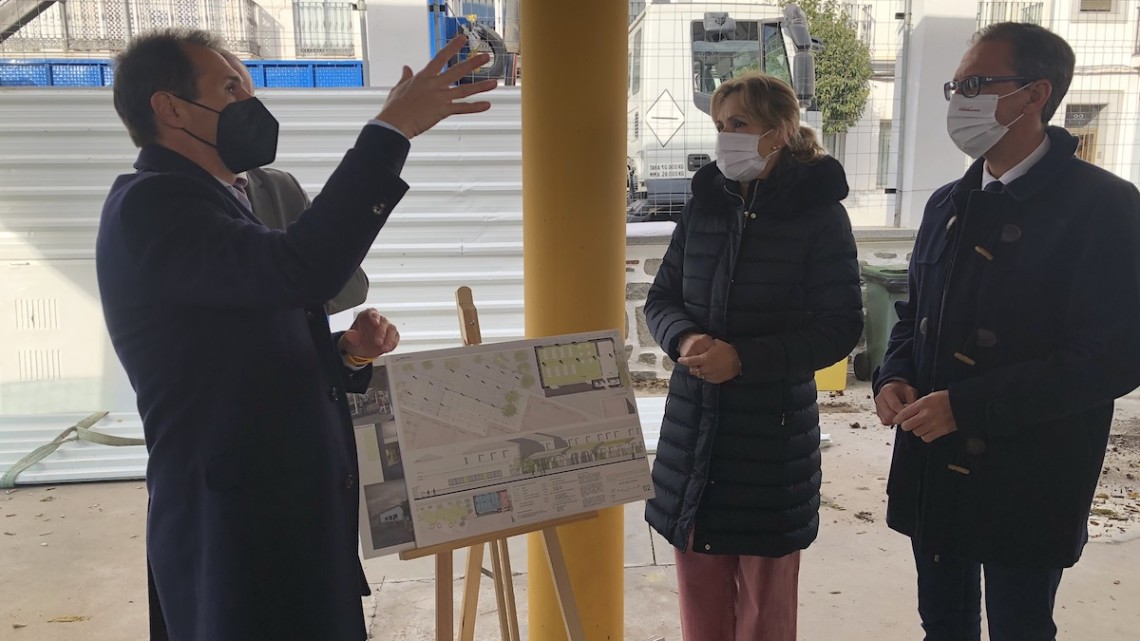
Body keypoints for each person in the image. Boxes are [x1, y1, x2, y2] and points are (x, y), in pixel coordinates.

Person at [96, 28, 494, 641]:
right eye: (230, 88)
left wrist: (346, 356)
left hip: (289, 522)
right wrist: (390, 133)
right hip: (237, 533)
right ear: (170, 107)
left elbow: (243, 350)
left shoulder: (228, 200)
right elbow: (302, 268)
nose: (251, 104)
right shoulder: (153, 205)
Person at [873, 22, 1140, 641]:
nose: (958, 100)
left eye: (974, 83)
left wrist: (969, 407)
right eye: (954, 85)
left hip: (1032, 472)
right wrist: (894, 375)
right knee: (943, 622)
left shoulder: (1106, 209)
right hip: (935, 464)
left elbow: (1115, 357)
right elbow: (915, 315)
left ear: (1034, 94)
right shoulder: (947, 204)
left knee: (1021, 625)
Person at [643, 73, 863, 641]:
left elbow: (840, 327)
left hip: (771, 440)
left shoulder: (818, 215)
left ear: (780, 131)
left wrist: (744, 359)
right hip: (693, 436)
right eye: (719, 126)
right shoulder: (705, 205)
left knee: (764, 612)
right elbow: (662, 299)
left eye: (739, 124)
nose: (726, 139)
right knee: (700, 602)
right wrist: (686, 342)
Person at [219, 50, 368, 315]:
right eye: (231, 89)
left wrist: (349, 350)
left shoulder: (279, 187)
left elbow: (352, 285)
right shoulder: (170, 206)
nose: (249, 105)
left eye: (251, 93)